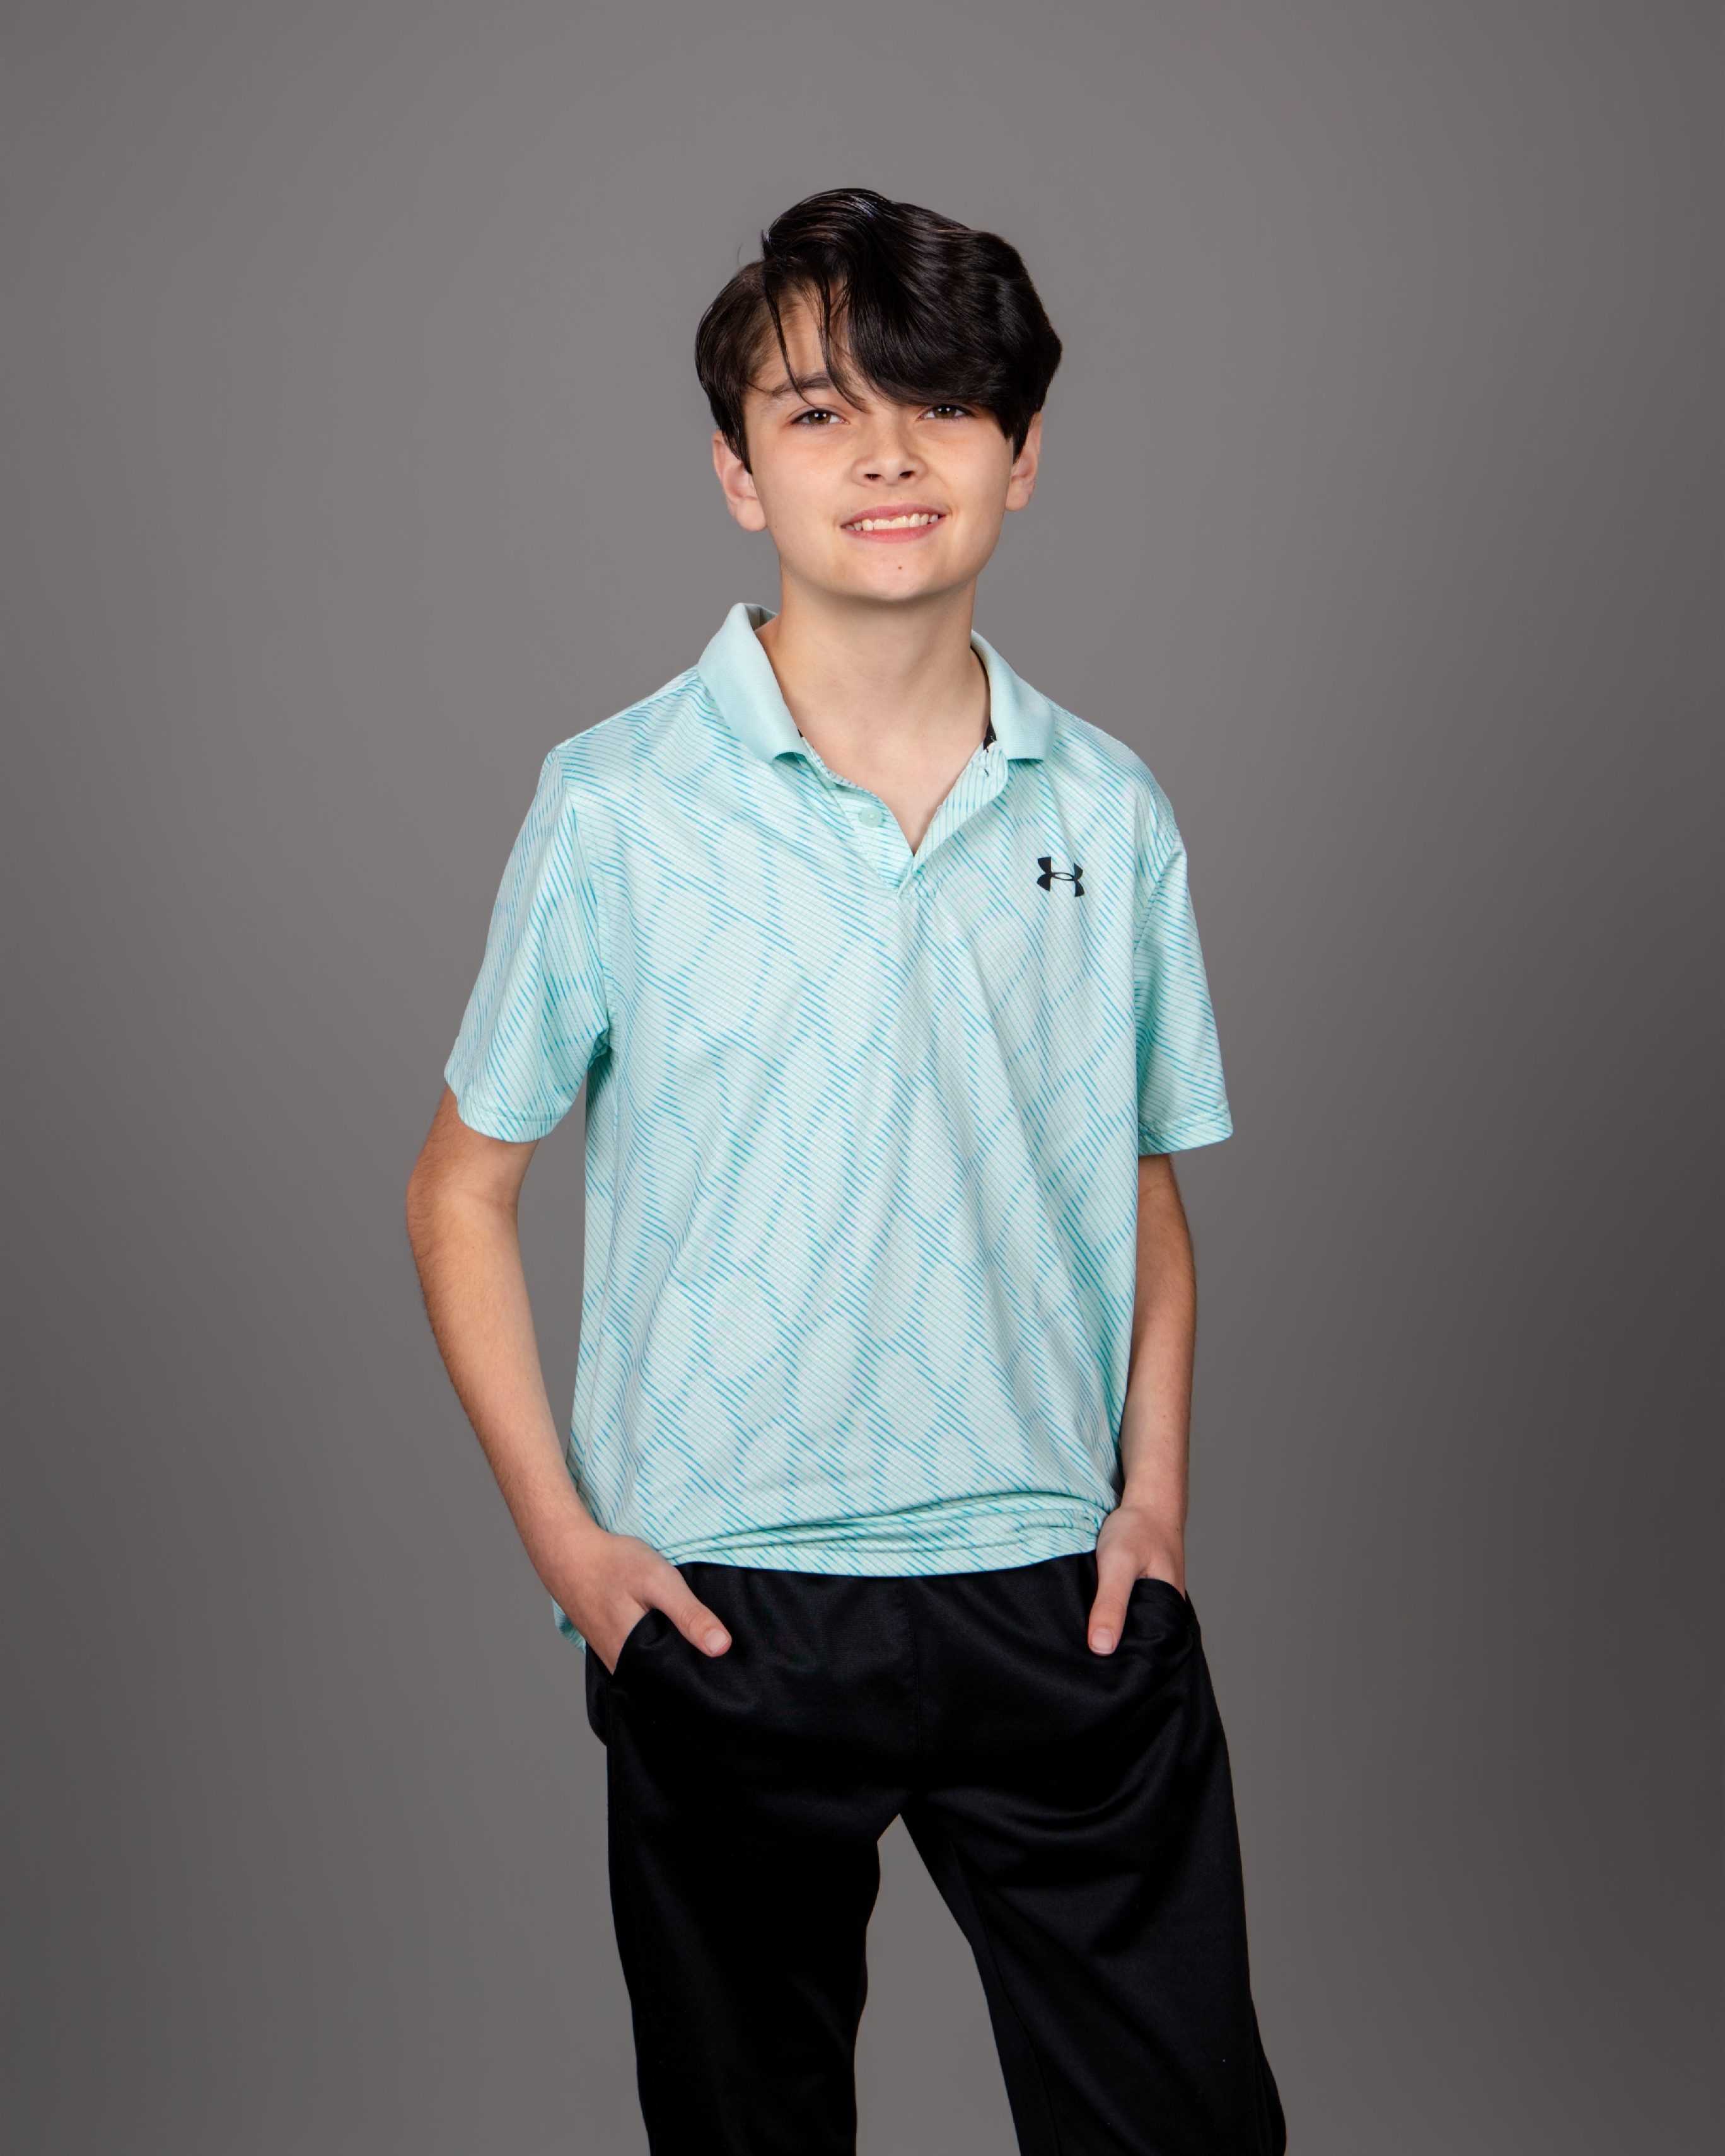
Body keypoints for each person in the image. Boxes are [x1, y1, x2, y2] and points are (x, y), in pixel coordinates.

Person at [406, 187, 1285, 2156]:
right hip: (725, 1597)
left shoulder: (1111, 810)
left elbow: (1140, 1181)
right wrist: (573, 1552)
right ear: (739, 473)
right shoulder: (615, 805)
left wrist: (1153, 1504)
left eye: (942, 403)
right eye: (820, 412)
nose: (889, 454)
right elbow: (456, 1188)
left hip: (1054, 1587)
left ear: (1022, 452)